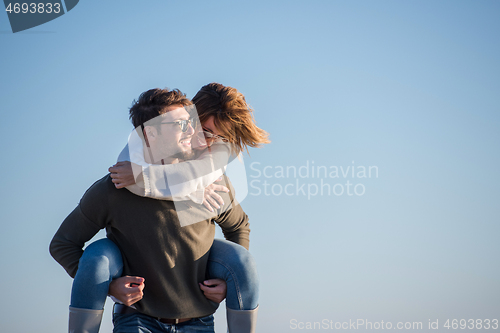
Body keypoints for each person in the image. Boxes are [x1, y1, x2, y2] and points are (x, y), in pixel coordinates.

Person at [50, 87, 265, 333]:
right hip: (137, 321)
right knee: (97, 255)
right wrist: (108, 287)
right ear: (150, 134)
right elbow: (62, 244)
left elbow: (239, 226)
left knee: (243, 260)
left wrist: (228, 283)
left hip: (199, 323)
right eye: (182, 125)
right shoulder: (116, 187)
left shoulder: (211, 184)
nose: (193, 133)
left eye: (192, 124)